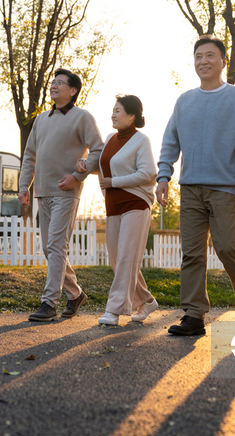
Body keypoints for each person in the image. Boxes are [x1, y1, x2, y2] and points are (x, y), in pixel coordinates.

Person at [156, 35, 235, 336]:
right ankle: (193, 315)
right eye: (198, 56)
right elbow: (170, 141)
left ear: (223, 61)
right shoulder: (184, 100)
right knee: (192, 253)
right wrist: (163, 175)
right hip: (190, 187)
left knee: (229, 247)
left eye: (210, 56)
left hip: (226, 187)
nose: (203, 61)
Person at [19, 68, 104, 322]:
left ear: (73, 90)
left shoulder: (82, 117)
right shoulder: (41, 119)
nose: (54, 86)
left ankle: (49, 302)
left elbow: (98, 150)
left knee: (56, 246)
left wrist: (77, 176)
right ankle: (76, 294)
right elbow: (29, 156)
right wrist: (25, 185)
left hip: (67, 192)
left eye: (60, 82)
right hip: (42, 192)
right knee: (49, 248)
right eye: (53, 82)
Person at [76, 95, 158, 326]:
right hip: (113, 206)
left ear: (132, 115)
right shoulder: (111, 138)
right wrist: (85, 166)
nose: (113, 114)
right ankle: (147, 300)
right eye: (113, 110)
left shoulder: (141, 141)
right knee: (118, 259)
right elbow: (106, 168)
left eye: (118, 110)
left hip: (136, 204)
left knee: (126, 258)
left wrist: (115, 182)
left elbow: (148, 173)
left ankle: (113, 310)